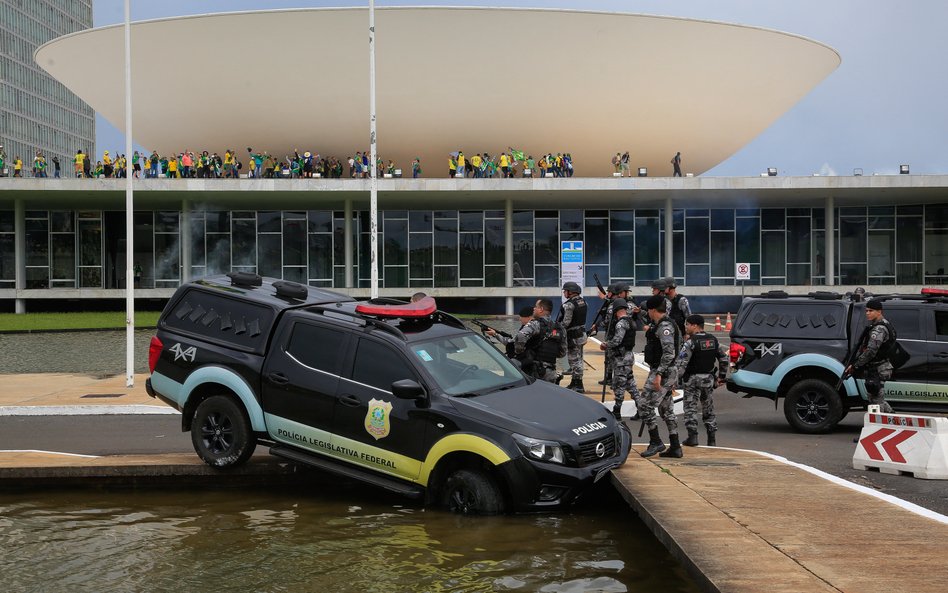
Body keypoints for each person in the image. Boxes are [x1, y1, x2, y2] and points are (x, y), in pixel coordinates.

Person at [640, 294, 683, 458]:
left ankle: (656, 441)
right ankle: (675, 446)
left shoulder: (664, 326)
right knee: (666, 409)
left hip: (663, 371)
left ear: (652, 310)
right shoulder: (663, 324)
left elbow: (668, 353)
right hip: (667, 371)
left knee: (644, 405)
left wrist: (659, 374)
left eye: (648, 311)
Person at [675, 314, 728, 446]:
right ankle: (711, 438)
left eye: (687, 324)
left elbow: (682, 364)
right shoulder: (713, 340)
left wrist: (675, 381)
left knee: (690, 407)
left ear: (694, 325)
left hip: (692, 379)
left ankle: (692, 437)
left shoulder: (690, 342)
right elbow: (723, 358)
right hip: (708, 379)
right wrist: (721, 376)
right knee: (708, 407)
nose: (685, 327)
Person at [845, 299, 896, 413]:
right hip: (879, 367)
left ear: (879, 311)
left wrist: (856, 365)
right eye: (866, 310)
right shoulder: (882, 324)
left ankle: (882, 425)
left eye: (871, 311)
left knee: (876, 400)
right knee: (876, 398)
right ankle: (892, 417)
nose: (867, 313)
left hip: (879, 368)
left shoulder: (879, 328)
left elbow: (871, 351)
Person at [600, 298, 640, 419]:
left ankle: (617, 410)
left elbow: (617, 340)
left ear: (616, 310)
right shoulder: (631, 321)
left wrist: (606, 345)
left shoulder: (621, 323)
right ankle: (641, 408)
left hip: (621, 359)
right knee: (630, 384)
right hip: (627, 357)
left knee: (619, 385)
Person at [513, 299, 567, 383]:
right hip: (551, 372)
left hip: (534, 371)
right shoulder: (560, 328)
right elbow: (562, 353)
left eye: (536, 307)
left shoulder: (535, 324)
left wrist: (519, 351)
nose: (534, 309)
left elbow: (521, 336)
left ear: (541, 309)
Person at [558, 281, 588, 392]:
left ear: (571, 292)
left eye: (565, 291)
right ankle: (574, 383)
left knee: (575, 361)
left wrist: (556, 328)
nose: (564, 293)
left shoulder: (569, 305)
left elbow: (566, 322)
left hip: (573, 337)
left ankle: (578, 385)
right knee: (579, 359)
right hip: (581, 335)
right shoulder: (583, 302)